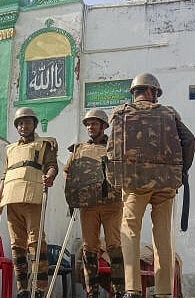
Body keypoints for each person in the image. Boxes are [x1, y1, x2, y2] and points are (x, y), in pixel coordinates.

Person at [106, 73, 195, 298]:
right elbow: (189, 140)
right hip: (165, 184)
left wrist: (116, 179)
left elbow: (111, 151)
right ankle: (164, 292)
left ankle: (132, 289)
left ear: (135, 92)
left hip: (134, 182)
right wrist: (181, 170)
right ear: (152, 91)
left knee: (130, 231)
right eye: (154, 93)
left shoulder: (120, 113)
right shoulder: (169, 114)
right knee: (163, 237)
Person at [0, 107, 58, 298]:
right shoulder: (10, 149)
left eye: (28, 122)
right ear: (17, 126)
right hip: (11, 198)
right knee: (17, 245)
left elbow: (52, 165)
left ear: (34, 124)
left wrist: (49, 176)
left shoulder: (43, 144)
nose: (24, 126)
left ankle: (39, 288)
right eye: (20, 123)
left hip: (32, 196)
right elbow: (5, 176)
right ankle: (22, 289)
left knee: (36, 242)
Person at [64, 108, 125, 298]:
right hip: (88, 206)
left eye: (95, 123)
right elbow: (68, 172)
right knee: (89, 248)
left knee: (114, 247)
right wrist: (75, 193)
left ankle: (118, 291)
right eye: (88, 124)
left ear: (104, 126)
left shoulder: (115, 146)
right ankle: (92, 292)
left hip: (111, 205)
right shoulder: (78, 149)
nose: (91, 127)